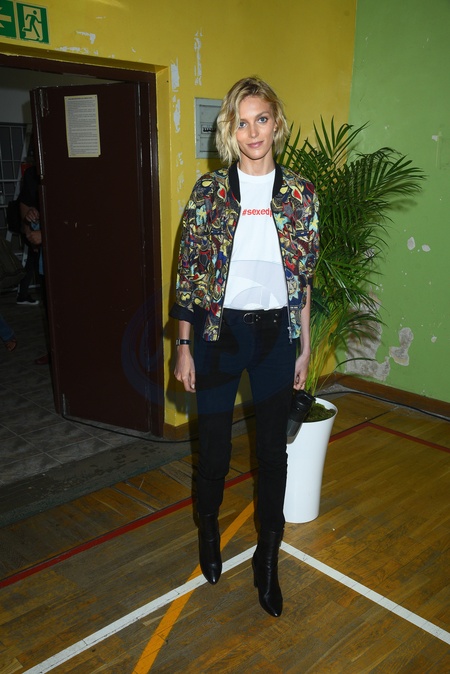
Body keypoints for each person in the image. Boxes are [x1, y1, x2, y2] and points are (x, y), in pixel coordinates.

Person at [170, 76, 320, 617]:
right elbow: (189, 274)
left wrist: (303, 345)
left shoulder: (301, 194)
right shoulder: (210, 192)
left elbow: (304, 277)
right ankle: (208, 532)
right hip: (218, 336)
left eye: (262, 119)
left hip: (277, 336)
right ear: (230, 130)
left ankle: (267, 560)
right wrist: (183, 345)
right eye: (242, 122)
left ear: (276, 124)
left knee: (272, 455)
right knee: (213, 450)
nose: (253, 131)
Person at [19, 165, 49, 365]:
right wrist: (31, 218)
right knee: (51, 309)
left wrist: (45, 235)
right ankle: (57, 351)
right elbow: (26, 210)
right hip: (47, 263)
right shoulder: (33, 173)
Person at [17, 165, 40, 306]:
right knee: (33, 261)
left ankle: (23, 294)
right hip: (37, 234)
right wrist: (29, 233)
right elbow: (25, 203)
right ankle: (23, 294)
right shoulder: (32, 173)